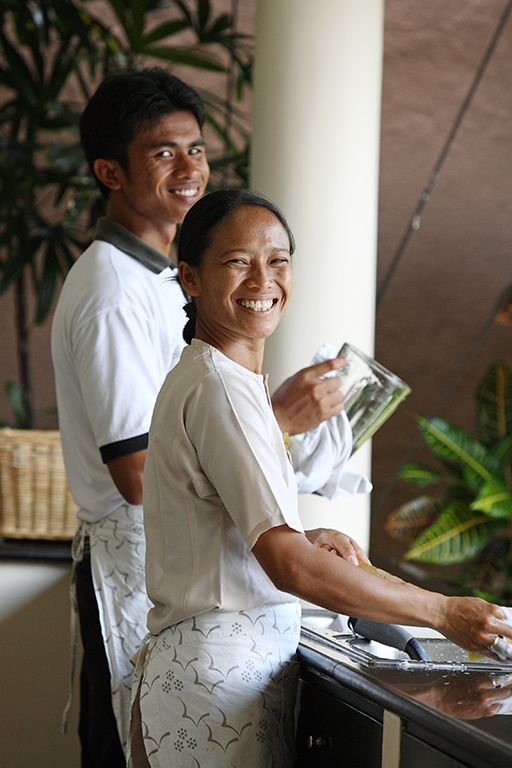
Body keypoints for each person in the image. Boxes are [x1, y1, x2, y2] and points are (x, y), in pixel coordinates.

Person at [131, 188, 512, 768]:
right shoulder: (221, 389)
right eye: (238, 262)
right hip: (214, 689)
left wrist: (303, 537)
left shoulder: (222, 379)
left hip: (210, 678)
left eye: (278, 260)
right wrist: (442, 612)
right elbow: (286, 566)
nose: (263, 279)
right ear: (190, 278)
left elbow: (221, 526)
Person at [51, 68, 355, 767]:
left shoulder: (157, 279)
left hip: (192, 582)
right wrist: (277, 416)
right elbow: (137, 475)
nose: (190, 169)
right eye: (164, 152)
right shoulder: (111, 290)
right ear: (109, 172)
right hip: (147, 578)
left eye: (197, 149)